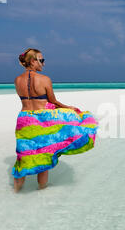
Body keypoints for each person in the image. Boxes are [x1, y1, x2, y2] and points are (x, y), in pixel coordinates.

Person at [12, 48, 98, 192]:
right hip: (41, 122)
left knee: (23, 159)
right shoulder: (45, 79)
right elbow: (53, 101)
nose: (43, 64)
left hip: (24, 121)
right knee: (44, 156)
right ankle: (42, 191)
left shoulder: (17, 80)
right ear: (33, 61)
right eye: (41, 60)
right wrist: (69, 108)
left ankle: (15, 192)